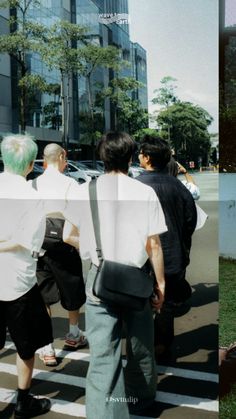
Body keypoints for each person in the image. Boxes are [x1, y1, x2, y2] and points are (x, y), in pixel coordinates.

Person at [64, 131, 167, 418]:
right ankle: (141, 401)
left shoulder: (85, 190)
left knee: (103, 356)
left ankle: (105, 413)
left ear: (102, 157)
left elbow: (68, 234)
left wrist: (94, 250)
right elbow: (154, 244)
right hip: (137, 279)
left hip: (100, 279)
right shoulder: (145, 192)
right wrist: (160, 283)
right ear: (131, 156)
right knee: (141, 346)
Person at [0, 134, 52, 418]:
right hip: (18, 281)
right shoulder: (32, 198)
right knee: (25, 344)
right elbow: (27, 242)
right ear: (31, 164)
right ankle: (23, 400)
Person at [137, 135, 197, 356]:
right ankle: (162, 347)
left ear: (147, 158)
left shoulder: (137, 186)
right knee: (166, 303)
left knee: (141, 303)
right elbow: (190, 221)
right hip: (173, 256)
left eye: (141, 153)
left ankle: (142, 347)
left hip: (142, 257)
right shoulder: (178, 187)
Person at [32, 143, 87, 367]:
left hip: (39, 244)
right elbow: (79, 216)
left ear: (44, 160)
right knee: (72, 289)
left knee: (43, 294)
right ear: (63, 157)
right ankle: (73, 334)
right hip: (65, 244)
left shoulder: (33, 183)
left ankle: (46, 348)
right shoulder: (71, 184)